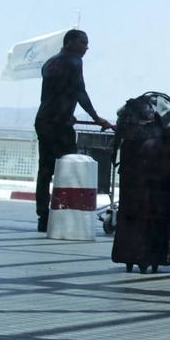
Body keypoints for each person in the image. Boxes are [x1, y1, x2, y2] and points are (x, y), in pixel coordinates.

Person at [33, 29, 113, 232]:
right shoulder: (73, 61)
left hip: (45, 120)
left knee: (45, 170)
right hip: (58, 125)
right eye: (83, 42)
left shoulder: (51, 62)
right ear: (69, 42)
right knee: (68, 170)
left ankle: (43, 216)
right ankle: (66, 214)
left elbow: (58, 93)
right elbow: (79, 92)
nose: (86, 47)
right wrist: (96, 118)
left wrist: (66, 113)